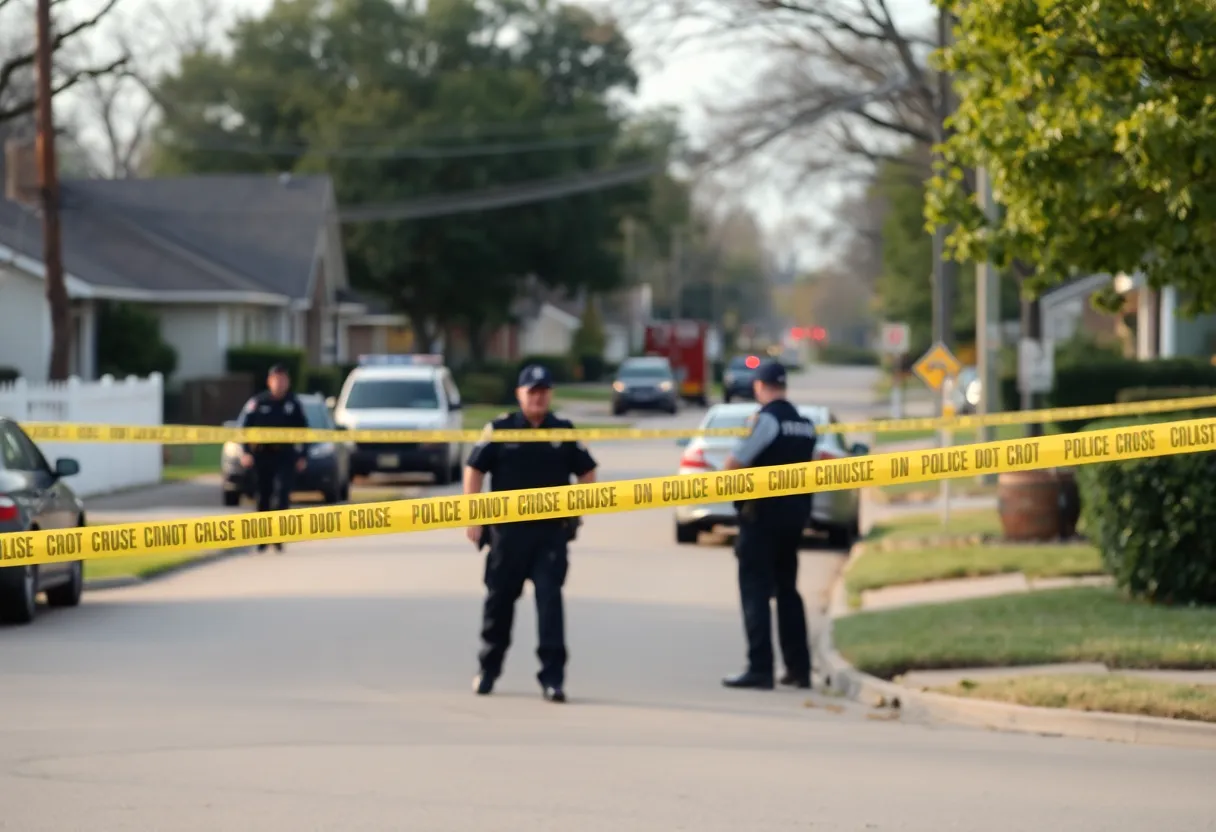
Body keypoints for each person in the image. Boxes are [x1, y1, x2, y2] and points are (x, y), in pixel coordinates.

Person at [463, 364, 598, 703]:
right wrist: (473, 516)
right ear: (519, 394)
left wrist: (576, 511)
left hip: (550, 536)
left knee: (550, 604)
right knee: (498, 605)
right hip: (507, 536)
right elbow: (474, 468)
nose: (538, 397)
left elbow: (588, 471)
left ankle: (553, 679)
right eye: (532, 391)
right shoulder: (500, 429)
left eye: (544, 391)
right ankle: (488, 670)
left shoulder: (563, 430)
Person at [719, 360, 816, 690]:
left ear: (759, 387)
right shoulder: (805, 424)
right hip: (795, 519)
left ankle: (759, 668)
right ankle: (798, 669)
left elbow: (735, 463)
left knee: (755, 592)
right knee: (787, 591)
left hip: (761, 519)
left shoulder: (766, 421)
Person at [239, 364, 310, 552]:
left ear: (288, 382)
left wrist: (302, 455)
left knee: (281, 496)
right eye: (276, 379)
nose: (279, 383)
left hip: (285, 457)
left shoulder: (294, 404)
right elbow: (244, 430)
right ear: (269, 381)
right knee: (263, 496)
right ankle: (262, 538)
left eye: (283, 379)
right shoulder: (258, 402)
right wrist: (245, 452)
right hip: (262, 456)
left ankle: (279, 536)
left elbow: (304, 433)